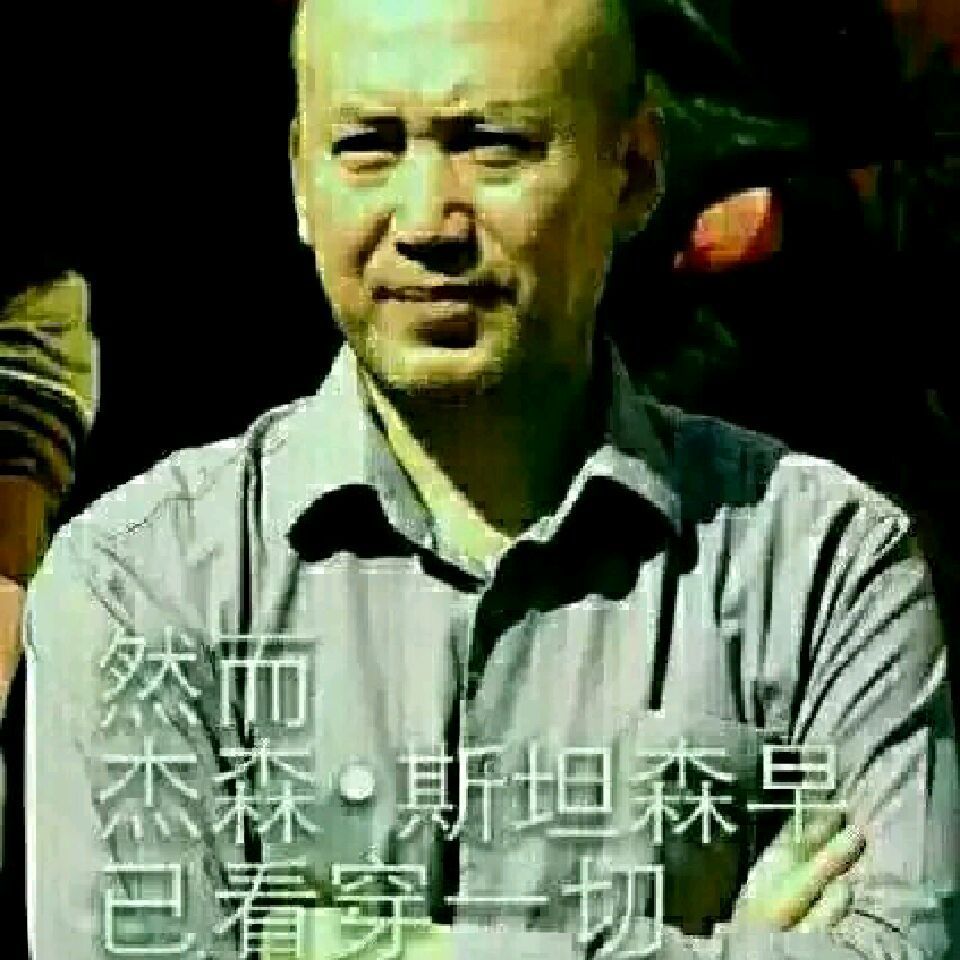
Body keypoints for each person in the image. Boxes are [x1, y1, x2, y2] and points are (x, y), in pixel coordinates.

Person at [25, 1, 957, 959]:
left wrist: (350, 946)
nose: (428, 221)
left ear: (635, 170)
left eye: (493, 145)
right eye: (369, 147)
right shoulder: (142, 585)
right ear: (300, 178)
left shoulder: (822, 571)